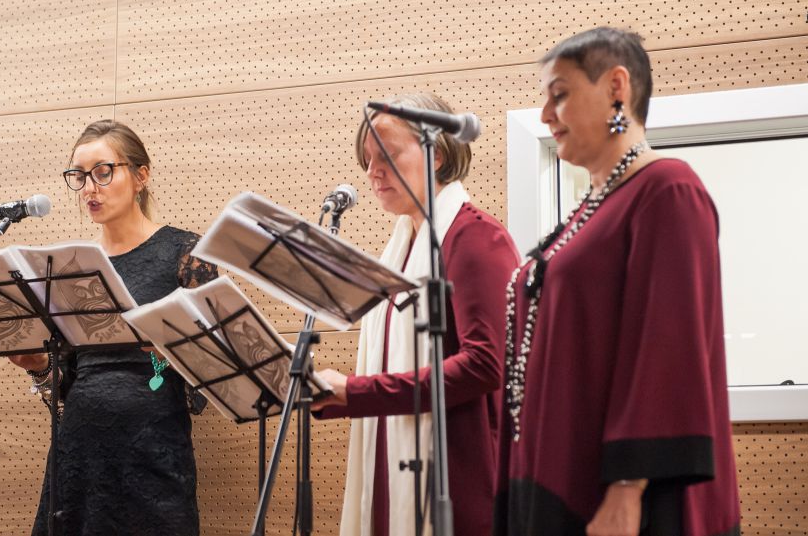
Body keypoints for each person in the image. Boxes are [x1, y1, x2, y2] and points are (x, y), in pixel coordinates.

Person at [493, 28, 741, 536]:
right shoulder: (589, 209)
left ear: (616, 87)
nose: (545, 114)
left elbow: (668, 347)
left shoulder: (667, 190)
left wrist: (628, 487)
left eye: (559, 94)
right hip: (556, 475)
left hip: (625, 496)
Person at [312, 93, 520, 536]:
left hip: (457, 481)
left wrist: (354, 393)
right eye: (367, 159)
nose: (372, 172)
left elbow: (485, 366)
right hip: (392, 470)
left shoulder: (476, 238)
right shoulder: (400, 249)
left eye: (386, 154)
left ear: (435, 154)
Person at [9, 119, 216, 536]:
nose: (90, 188)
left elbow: (213, 375)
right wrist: (38, 367)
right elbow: (66, 387)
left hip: (154, 449)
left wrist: (175, 352)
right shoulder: (70, 268)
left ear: (141, 176)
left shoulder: (185, 252)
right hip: (78, 452)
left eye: (103, 172)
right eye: (79, 176)